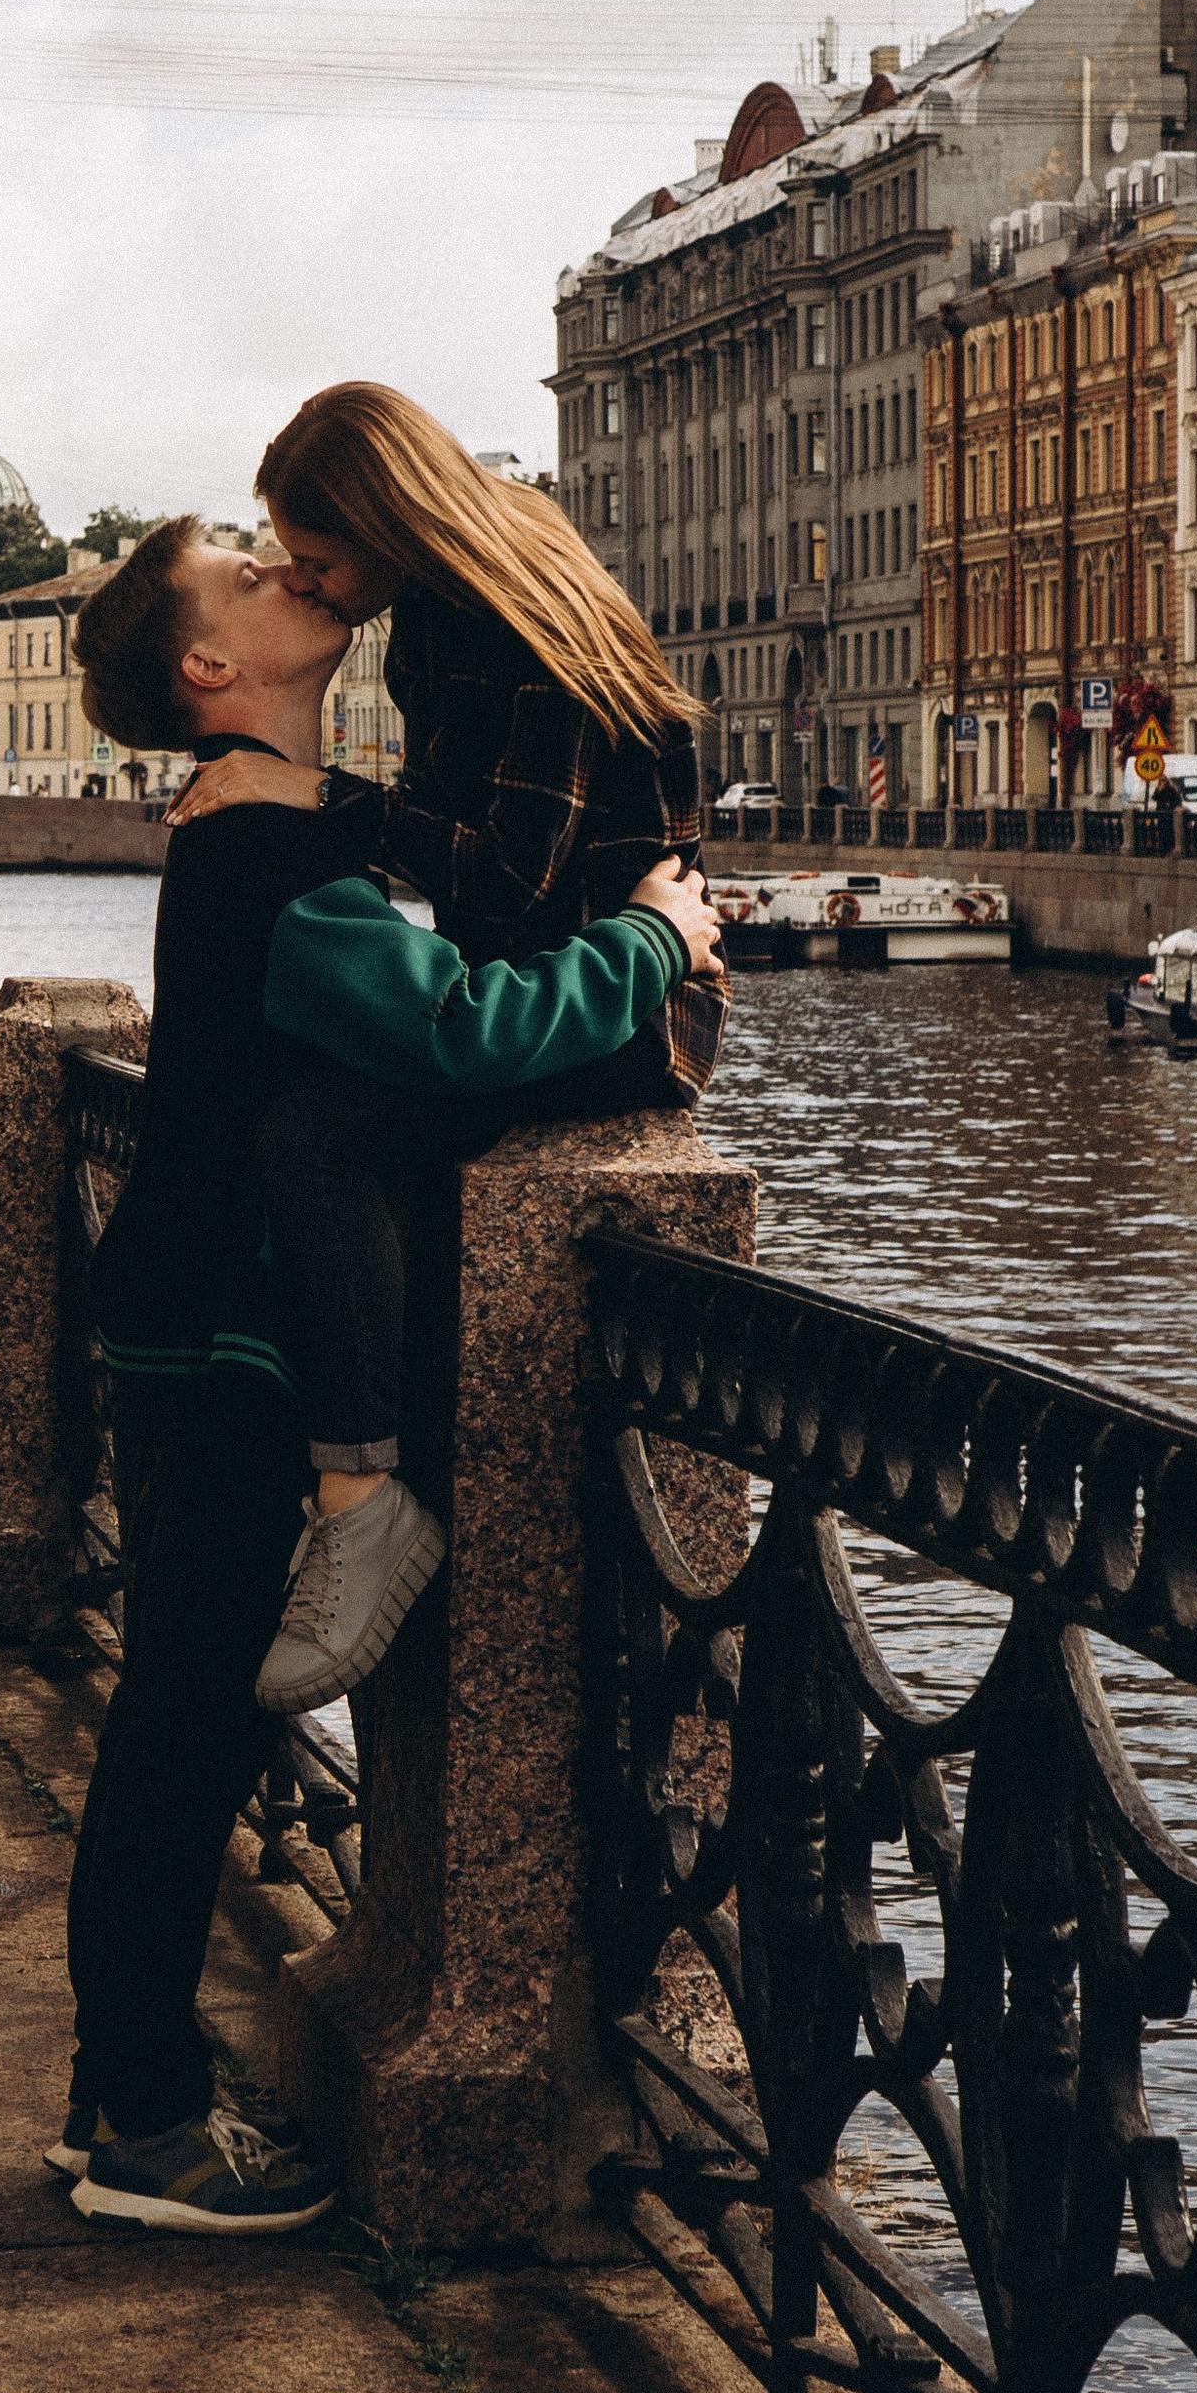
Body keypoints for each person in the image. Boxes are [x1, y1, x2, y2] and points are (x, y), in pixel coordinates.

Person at [57, 521, 721, 2235]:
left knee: (174, 1722)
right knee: (183, 1731)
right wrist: (654, 939)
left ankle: (119, 2095)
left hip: (188, 1315)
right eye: (245, 571)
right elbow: (465, 1030)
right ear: (212, 669)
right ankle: (141, 2125)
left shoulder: (271, 821)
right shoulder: (270, 863)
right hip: (219, 1337)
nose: (287, 571)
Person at [166, 387, 724, 1710]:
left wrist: (312, 797)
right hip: (550, 986)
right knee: (321, 1111)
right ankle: (357, 1483)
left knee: (316, 1131)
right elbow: (472, 866)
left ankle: (364, 1502)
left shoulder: (514, 620)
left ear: (390, 520)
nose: (306, 578)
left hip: (622, 1010)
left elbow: (516, 878)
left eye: (320, 554)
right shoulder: (439, 611)